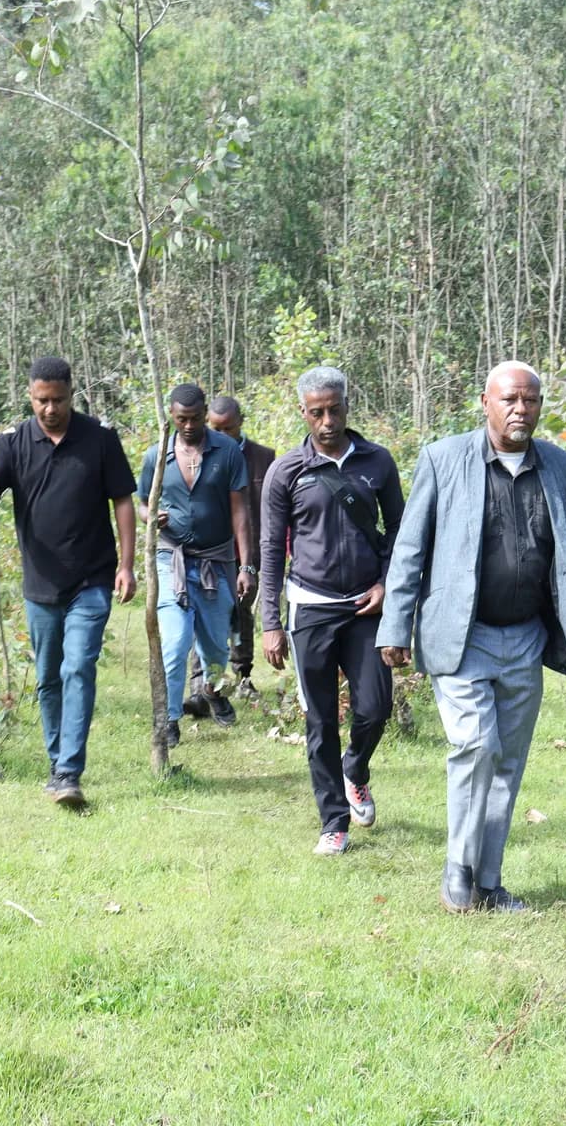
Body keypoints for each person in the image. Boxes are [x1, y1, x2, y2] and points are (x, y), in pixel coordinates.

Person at [376, 361, 566, 912]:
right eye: (510, 399)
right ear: (485, 403)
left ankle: (488, 882)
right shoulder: (443, 459)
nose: (521, 409)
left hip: (526, 639)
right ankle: (458, 869)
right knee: (476, 746)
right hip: (463, 636)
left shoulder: (559, 467)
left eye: (530, 400)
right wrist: (395, 625)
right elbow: (410, 549)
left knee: (508, 763)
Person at [0, 356, 137, 810]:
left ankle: (68, 772)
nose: (50, 409)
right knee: (48, 678)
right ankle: (56, 761)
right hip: (40, 584)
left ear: (71, 394)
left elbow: (123, 500)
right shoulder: (12, 443)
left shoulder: (100, 438)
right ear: (30, 396)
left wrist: (126, 565)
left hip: (92, 578)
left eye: (58, 400)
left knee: (78, 667)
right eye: (42, 400)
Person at [257, 367, 405, 856]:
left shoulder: (377, 462)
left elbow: (401, 532)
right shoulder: (286, 471)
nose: (327, 421)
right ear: (303, 412)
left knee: (375, 707)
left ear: (346, 406)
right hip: (311, 607)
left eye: (334, 410)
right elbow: (271, 549)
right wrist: (271, 622)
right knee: (320, 721)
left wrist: (387, 585)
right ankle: (333, 823)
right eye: (316, 412)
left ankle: (354, 769)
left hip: (366, 606)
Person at [137, 383, 255, 749]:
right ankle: (170, 717)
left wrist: (246, 566)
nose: (188, 426)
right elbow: (141, 502)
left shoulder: (228, 452)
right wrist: (150, 516)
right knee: (175, 643)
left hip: (216, 563)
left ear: (205, 413)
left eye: (195, 418)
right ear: (171, 417)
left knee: (216, 648)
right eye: (181, 419)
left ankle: (212, 690)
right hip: (170, 560)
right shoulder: (156, 455)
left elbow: (240, 511)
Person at [185, 395, 277, 718]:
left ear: (241, 423)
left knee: (240, 614)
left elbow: (272, 508)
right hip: (209, 551)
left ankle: (243, 676)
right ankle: (200, 686)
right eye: (216, 428)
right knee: (204, 616)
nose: (222, 434)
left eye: (229, 428)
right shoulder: (196, 454)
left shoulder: (264, 458)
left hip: (247, 553)